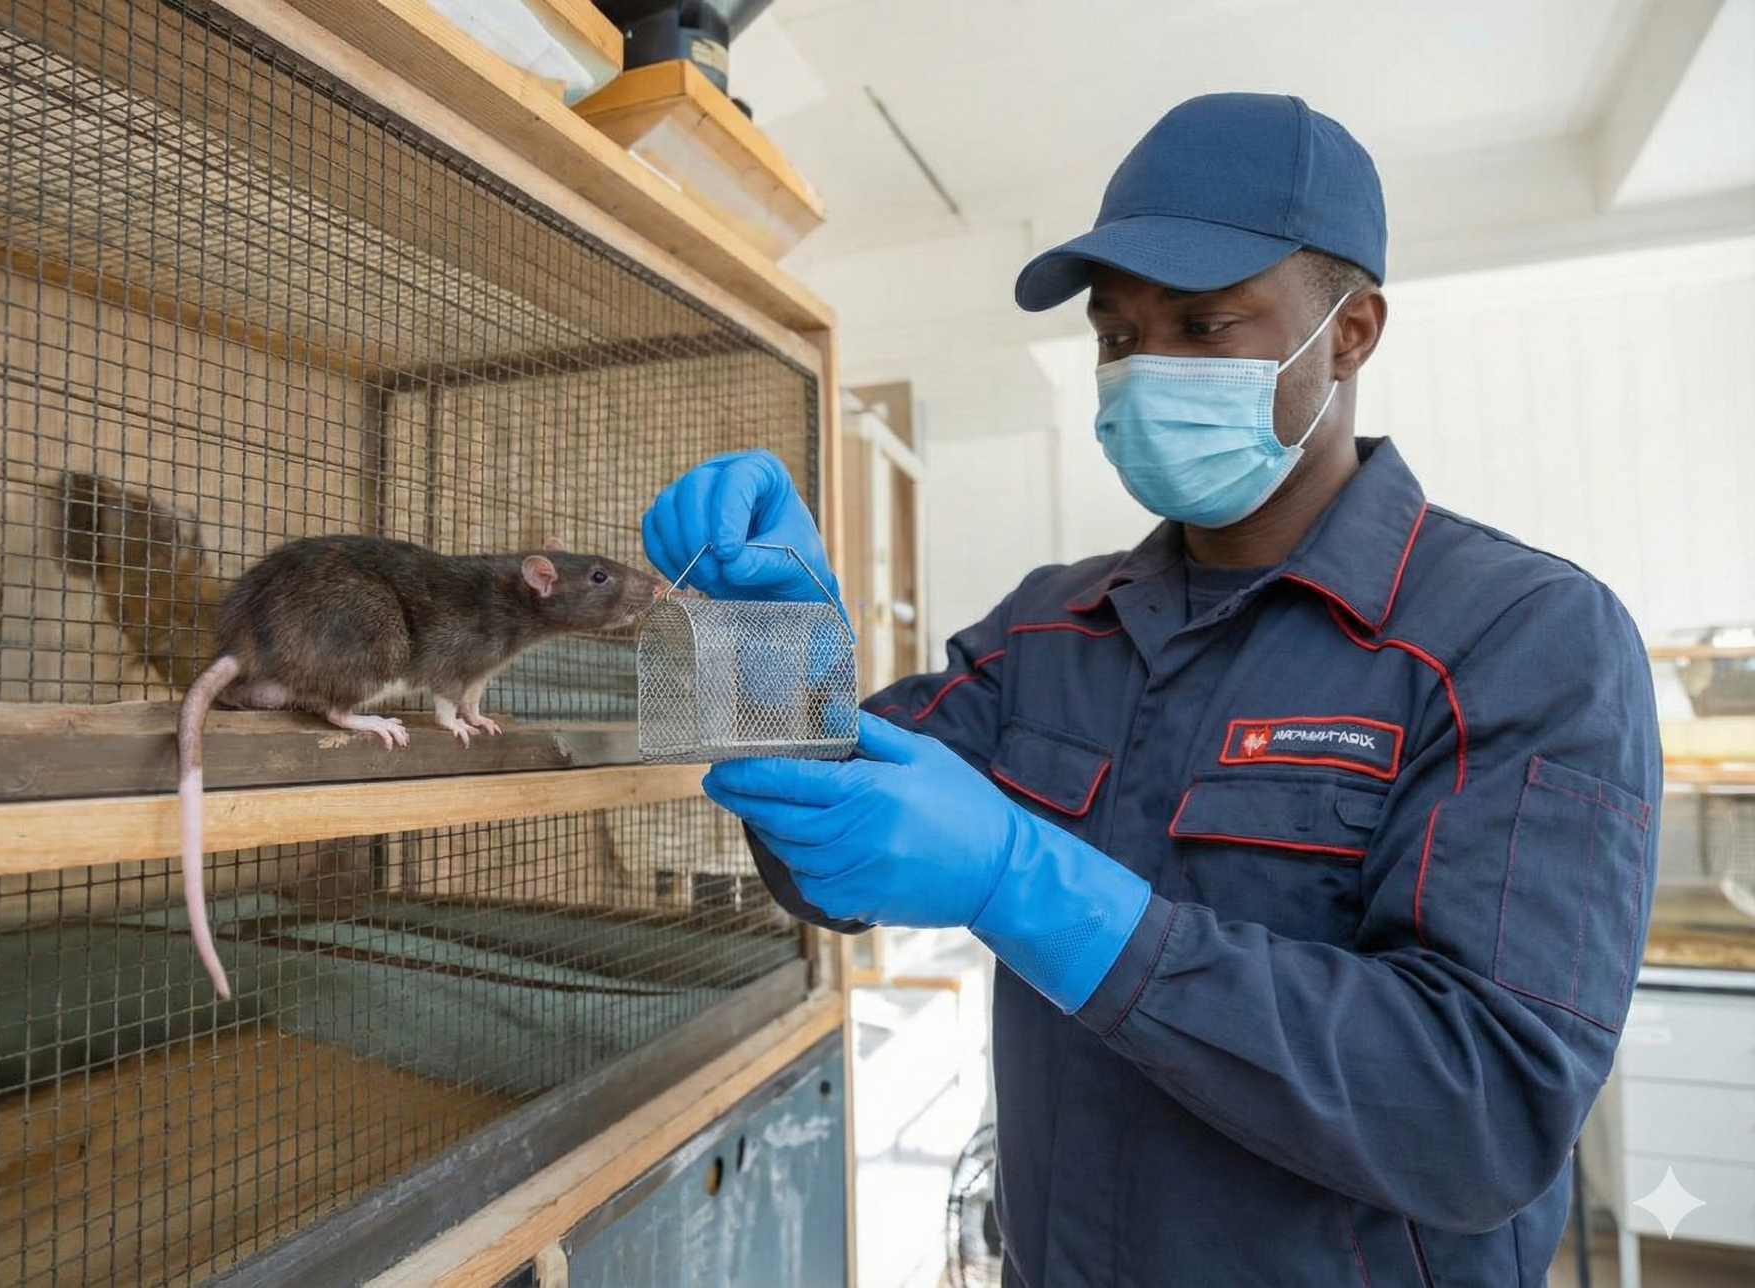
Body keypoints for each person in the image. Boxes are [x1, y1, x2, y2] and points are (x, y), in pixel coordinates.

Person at [644, 93, 1659, 1287]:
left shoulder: (1521, 638)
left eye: (1205, 323)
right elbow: (822, 848)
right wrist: (768, 639)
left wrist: (1040, 891)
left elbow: (1478, 1110)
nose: (1148, 368)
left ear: (1353, 330)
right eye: (1119, 337)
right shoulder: (1046, 629)